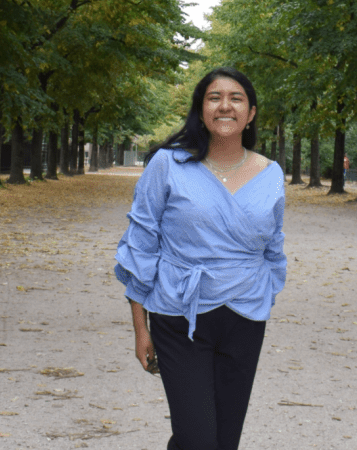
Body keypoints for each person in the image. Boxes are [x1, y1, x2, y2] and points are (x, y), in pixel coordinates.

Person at [114, 67, 287, 450]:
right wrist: (140, 327)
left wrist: (263, 295)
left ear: (252, 113)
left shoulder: (271, 173)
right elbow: (141, 243)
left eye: (236, 98)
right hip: (179, 315)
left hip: (245, 318)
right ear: (201, 109)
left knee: (225, 441)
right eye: (214, 97)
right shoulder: (167, 164)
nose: (225, 106)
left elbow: (274, 248)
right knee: (197, 439)